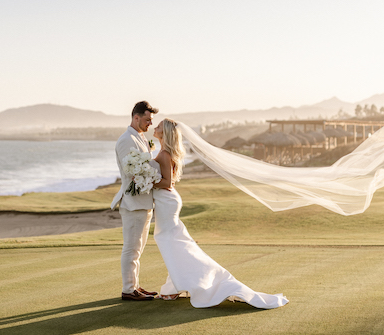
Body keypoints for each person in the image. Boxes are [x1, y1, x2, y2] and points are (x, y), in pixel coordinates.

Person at [150, 118, 289, 308]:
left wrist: (145, 182)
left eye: (157, 126)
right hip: (169, 200)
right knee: (174, 243)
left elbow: (167, 183)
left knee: (170, 242)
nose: (154, 127)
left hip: (167, 199)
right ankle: (171, 288)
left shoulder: (165, 154)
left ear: (164, 132)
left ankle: (182, 285)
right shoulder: (164, 152)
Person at [111, 101, 172, 301]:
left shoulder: (140, 138)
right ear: (136, 117)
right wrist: (162, 171)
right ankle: (129, 290)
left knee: (138, 248)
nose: (149, 124)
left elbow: (145, 166)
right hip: (133, 203)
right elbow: (134, 171)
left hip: (144, 202)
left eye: (151, 121)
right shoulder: (126, 140)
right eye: (147, 120)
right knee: (131, 247)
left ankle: (135, 285)